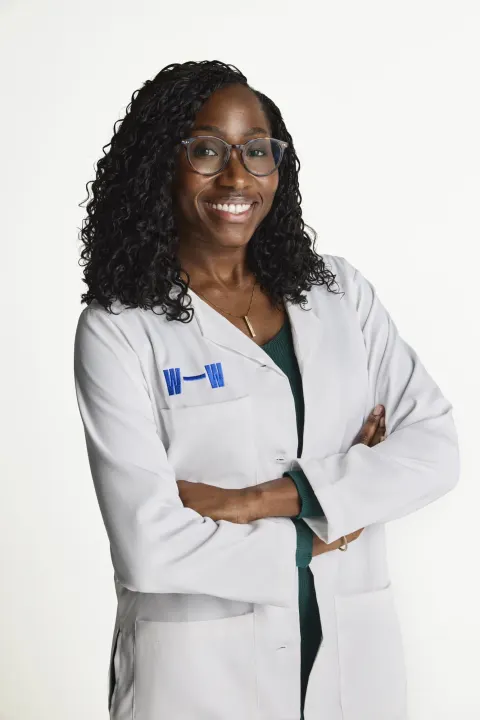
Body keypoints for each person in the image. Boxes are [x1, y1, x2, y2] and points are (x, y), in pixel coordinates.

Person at [73, 60, 460, 720]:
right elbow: (150, 546)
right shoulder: (120, 328)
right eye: (206, 150)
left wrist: (257, 501)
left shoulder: (339, 293)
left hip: (351, 659)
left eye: (257, 151)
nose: (236, 176)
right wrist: (335, 515)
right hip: (197, 677)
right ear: (161, 165)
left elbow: (434, 451)